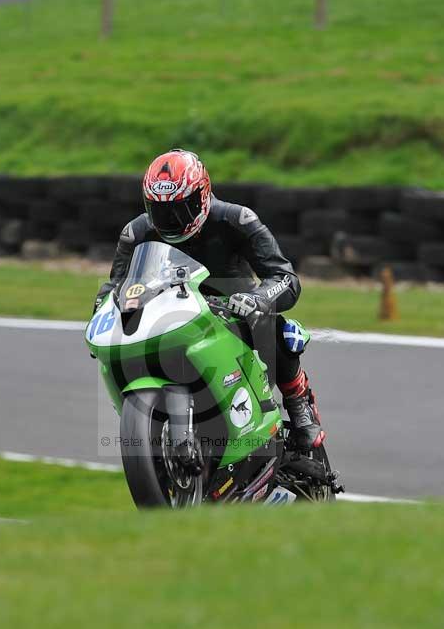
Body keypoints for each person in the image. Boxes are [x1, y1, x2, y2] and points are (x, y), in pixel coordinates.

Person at [94, 149, 325, 451]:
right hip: (170, 319)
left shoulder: (236, 219)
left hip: (232, 312)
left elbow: (284, 278)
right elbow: (116, 285)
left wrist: (257, 299)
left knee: (276, 327)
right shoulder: (136, 233)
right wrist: (102, 311)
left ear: (202, 195)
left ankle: (298, 401)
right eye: (161, 211)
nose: (171, 220)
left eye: (181, 209)